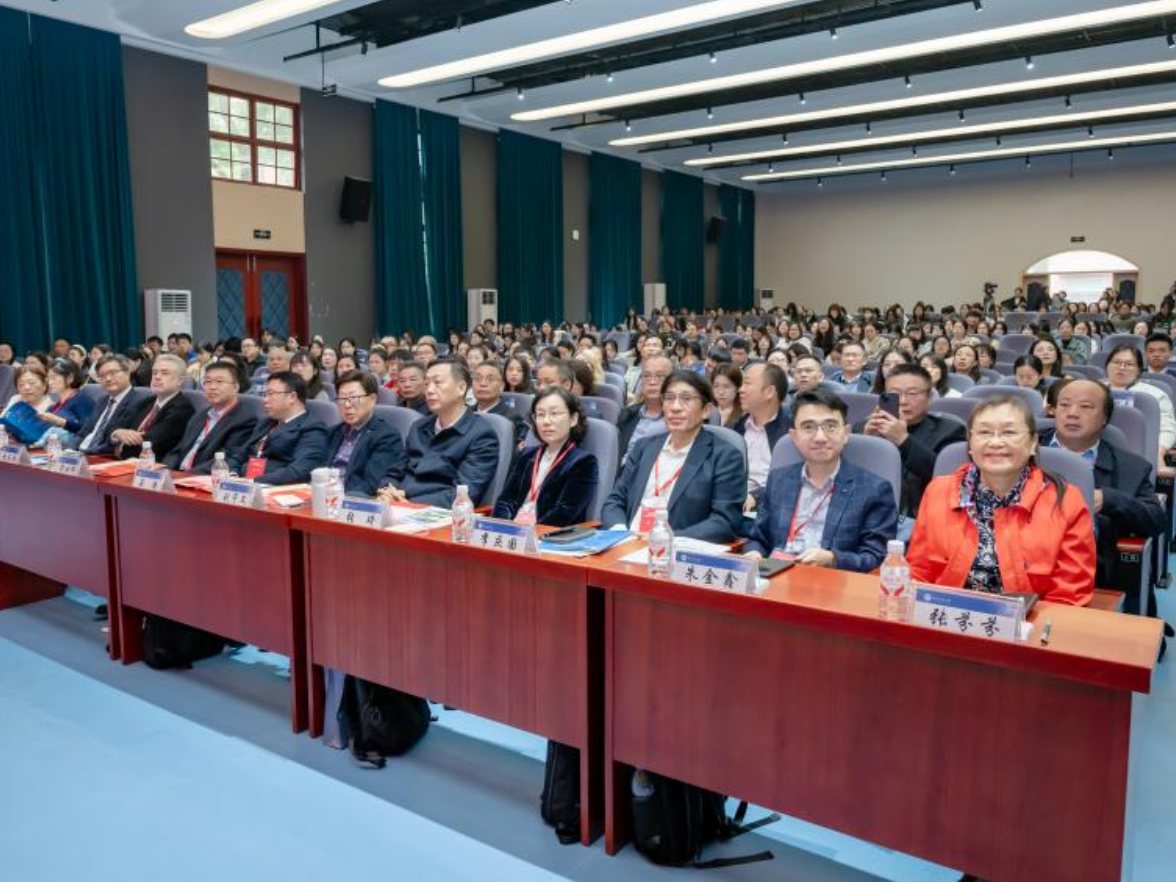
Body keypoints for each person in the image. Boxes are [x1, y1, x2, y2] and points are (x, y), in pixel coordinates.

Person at [908, 394, 1095, 605]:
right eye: (985, 432)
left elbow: (1068, 595)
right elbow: (919, 571)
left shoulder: (1067, 501)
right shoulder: (938, 491)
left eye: (1009, 432)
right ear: (970, 444)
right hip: (945, 617)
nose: (995, 442)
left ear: (1033, 443)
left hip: (1027, 626)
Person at [1042, 380, 1165, 613]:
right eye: (1064, 405)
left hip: (1088, 568)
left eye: (1086, 407)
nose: (1072, 413)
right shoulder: (1023, 450)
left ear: (1105, 417)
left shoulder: (1130, 466)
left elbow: (1155, 520)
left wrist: (1108, 499)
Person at [746, 389, 896, 571]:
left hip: (833, 585)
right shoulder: (779, 479)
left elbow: (875, 556)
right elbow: (758, 538)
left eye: (830, 426)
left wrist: (833, 558)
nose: (820, 437)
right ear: (794, 436)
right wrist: (754, 553)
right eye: (808, 427)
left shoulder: (874, 489)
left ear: (846, 433)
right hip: (774, 577)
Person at [602, 371, 745, 542]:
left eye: (686, 399)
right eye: (669, 398)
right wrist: (620, 532)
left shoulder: (725, 456)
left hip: (675, 552)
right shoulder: (644, 447)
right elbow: (615, 500)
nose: (675, 407)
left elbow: (725, 523)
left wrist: (663, 539)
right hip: (626, 544)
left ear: (706, 411)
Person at [856, 364, 966, 537]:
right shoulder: (864, 427)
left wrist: (903, 440)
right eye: (894, 394)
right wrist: (866, 442)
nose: (903, 401)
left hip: (919, 521)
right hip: (865, 514)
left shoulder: (951, 430)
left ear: (929, 397)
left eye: (912, 393)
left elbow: (946, 478)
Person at [378, 360, 499, 507]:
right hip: (398, 505)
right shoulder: (419, 426)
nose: (429, 390)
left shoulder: (481, 435)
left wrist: (409, 504)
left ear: (461, 388)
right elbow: (395, 472)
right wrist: (386, 491)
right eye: (427, 383)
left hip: (436, 515)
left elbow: (462, 495)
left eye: (437, 383)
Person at [492, 388, 599, 527]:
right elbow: (505, 500)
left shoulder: (583, 462)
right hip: (513, 533)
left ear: (573, 419)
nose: (546, 421)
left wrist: (528, 533)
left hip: (548, 538)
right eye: (540, 415)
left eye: (554, 414)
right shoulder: (526, 455)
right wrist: (503, 526)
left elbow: (564, 513)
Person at [230, 371, 329, 485]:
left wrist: (250, 482)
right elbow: (239, 456)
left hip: (274, 489)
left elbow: (299, 471)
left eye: (271, 394)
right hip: (242, 485)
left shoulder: (312, 429)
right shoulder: (266, 423)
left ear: (292, 397)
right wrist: (233, 475)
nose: (265, 400)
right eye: (265, 394)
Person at [164, 360, 258, 473]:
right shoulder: (200, 415)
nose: (212, 387)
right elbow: (178, 450)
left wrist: (187, 476)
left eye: (219, 382)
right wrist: (165, 470)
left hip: (204, 479)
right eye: (208, 382)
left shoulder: (245, 420)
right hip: (178, 476)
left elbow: (225, 460)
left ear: (235, 387)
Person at [323, 370, 406, 496]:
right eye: (342, 398)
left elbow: (372, 484)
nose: (347, 405)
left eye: (354, 398)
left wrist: (338, 498)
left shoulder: (387, 436)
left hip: (351, 502)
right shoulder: (333, 432)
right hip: (322, 497)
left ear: (373, 399)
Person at [109, 354, 195, 460]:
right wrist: (118, 433)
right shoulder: (146, 401)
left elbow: (152, 443)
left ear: (180, 381)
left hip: (153, 467)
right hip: (125, 463)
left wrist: (122, 444)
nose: (157, 377)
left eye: (165, 373)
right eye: (154, 373)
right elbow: (114, 425)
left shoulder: (182, 408)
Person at [734, 363, 791, 512]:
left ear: (769, 392)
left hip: (773, 507)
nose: (740, 390)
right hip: (734, 501)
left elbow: (791, 480)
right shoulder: (737, 427)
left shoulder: (792, 431)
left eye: (747, 383)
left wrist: (756, 497)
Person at [1104, 344, 1176, 459]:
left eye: (1129, 364)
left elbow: (1167, 430)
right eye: (1116, 362)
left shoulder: (1155, 395)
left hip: (1138, 452)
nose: (1121, 367)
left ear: (1138, 370)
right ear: (1107, 365)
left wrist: (1158, 452)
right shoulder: (1092, 389)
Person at [74, 355, 144, 455]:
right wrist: (70, 450)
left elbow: (115, 441)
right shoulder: (102, 400)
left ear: (127, 372)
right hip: (80, 454)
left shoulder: (139, 402)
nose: (108, 379)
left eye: (113, 373)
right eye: (102, 375)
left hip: (101, 456)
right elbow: (84, 432)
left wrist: (87, 453)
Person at [615, 354, 672, 466]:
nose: (652, 382)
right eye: (646, 376)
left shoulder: (678, 421)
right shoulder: (627, 415)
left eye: (660, 376)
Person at [37, 361, 94, 448]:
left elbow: (87, 430)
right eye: (48, 378)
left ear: (70, 378)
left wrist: (61, 422)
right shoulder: (53, 406)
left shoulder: (82, 400)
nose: (50, 382)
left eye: (54, 378)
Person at [472, 361, 527, 446]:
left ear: (501, 386)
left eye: (490, 379)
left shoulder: (511, 418)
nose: (483, 384)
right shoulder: (464, 413)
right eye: (478, 379)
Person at [1, 365, 54, 445]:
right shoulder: (16, 399)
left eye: (32, 383)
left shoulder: (53, 407)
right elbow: (1, 424)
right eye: (21, 384)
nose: (26, 387)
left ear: (44, 384)